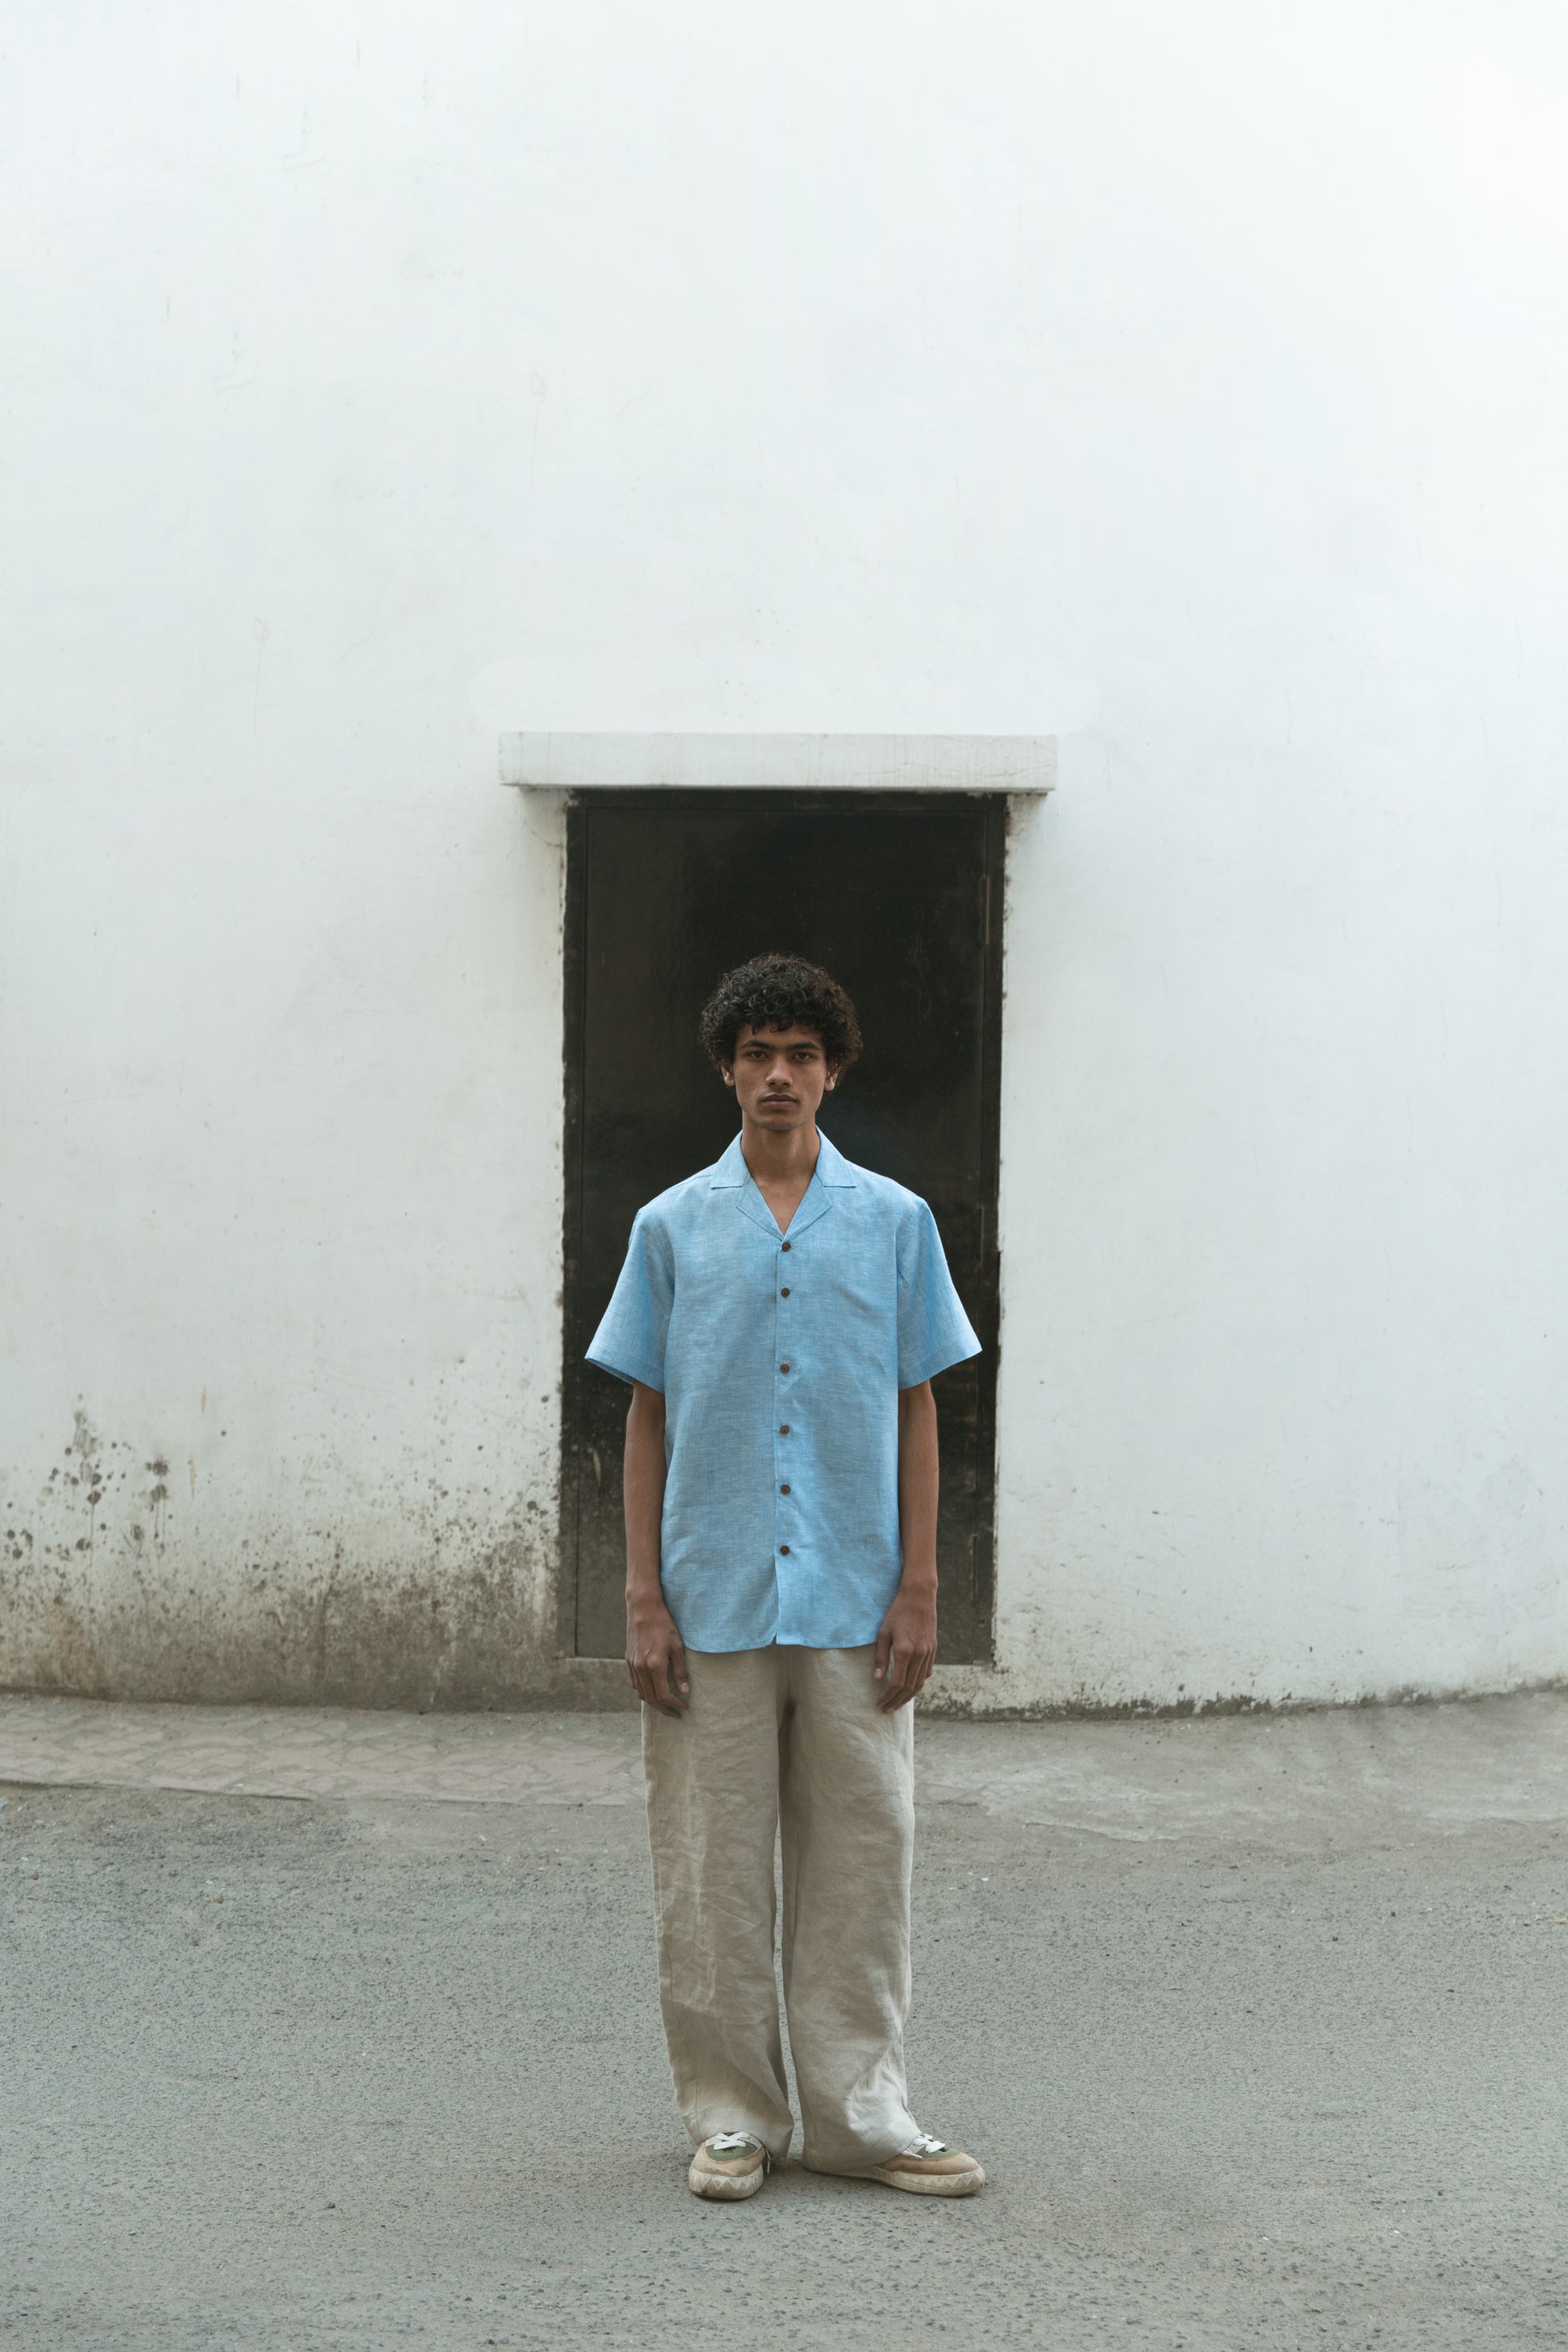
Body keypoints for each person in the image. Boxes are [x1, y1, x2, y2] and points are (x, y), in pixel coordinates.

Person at [586, 952, 986, 2202]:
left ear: (831, 1070)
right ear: (725, 1066)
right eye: (756, 1051)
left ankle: (859, 2112)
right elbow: (645, 1415)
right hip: (709, 1596)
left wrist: (921, 1584)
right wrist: (640, 1596)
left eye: (800, 1054)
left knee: (864, 1855)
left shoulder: (893, 1222)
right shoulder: (671, 1226)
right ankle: (732, 2116)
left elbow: (917, 1406)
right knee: (710, 1867)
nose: (777, 1075)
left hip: (856, 1596)